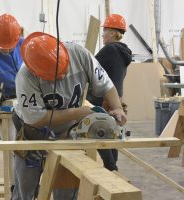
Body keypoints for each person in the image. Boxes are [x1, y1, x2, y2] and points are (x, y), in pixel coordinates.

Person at [12, 32, 127, 200]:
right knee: (25, 191)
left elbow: (106, 85)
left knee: (67, 193)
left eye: (63, 70)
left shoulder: (81, 55)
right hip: (33, 135)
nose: (62, 76)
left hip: (67, 135)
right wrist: (76, 112)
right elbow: (35, 119)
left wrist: (118, 108)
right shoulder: (25, 75)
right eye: (55, 76)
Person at [87, 14, 132, 171]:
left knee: (98, 130)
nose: (103, 33)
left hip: (103, 98)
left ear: (113, 33)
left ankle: (111, 167)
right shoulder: (122, 51)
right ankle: (112, 168)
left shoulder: (110, 50)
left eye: (105, 30)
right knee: (111, 131)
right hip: (116, 98)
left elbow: (90, 66)